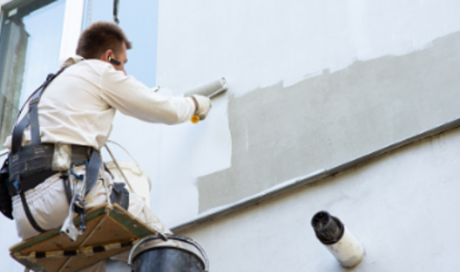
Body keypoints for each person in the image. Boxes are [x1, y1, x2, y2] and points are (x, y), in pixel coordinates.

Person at [2, 21, 211, 271]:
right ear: (108, 57)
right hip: (68, 196)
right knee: (162, 245)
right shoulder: (99, 72)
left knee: (88, 263)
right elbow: (163, 109)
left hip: (25, 216)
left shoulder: (41, 93)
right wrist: (196, 104)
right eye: (121, 64)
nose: (122, 73)